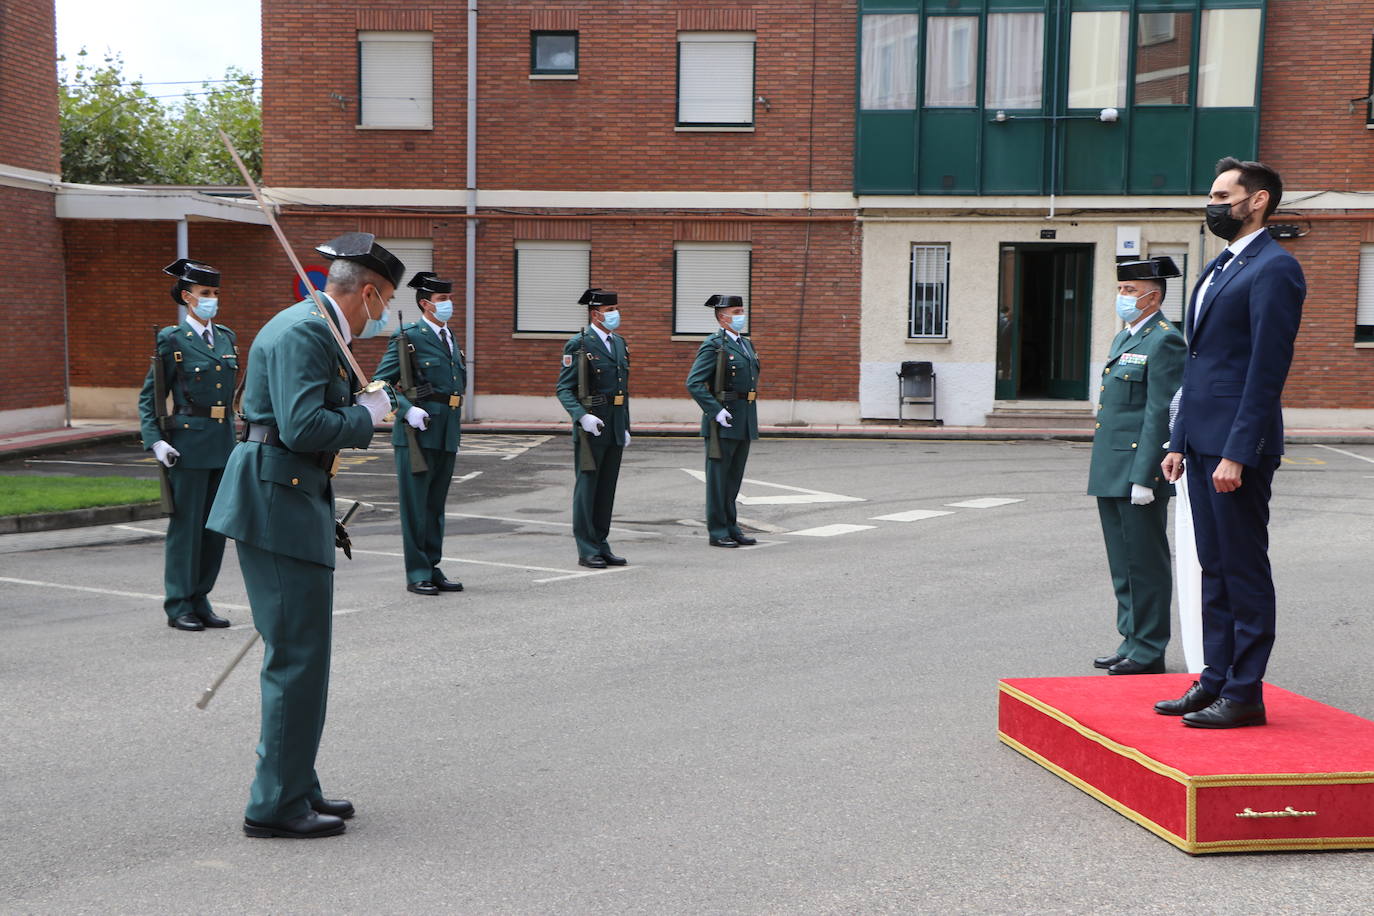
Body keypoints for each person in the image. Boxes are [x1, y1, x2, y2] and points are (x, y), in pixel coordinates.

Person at [207, 232, 400, 837]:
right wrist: (366, 416)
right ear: (368, 292)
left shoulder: (317, 328)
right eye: (386, 300)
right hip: (276, 499)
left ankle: (297, 782)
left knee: (303, 656)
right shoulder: (307, 331)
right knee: (297, 659)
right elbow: (302, 425)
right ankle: (275, 806)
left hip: (287, 496)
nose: (384, 314)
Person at [1155, 158, 1305, 729]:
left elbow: (1267, 369)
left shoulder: (1274, 269)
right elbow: (1200, 366)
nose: (1213, 203)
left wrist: (1238, 451)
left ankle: (1245, 692)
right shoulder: (1219, 267)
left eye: (1223, 194)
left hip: (1237, 448)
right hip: (1199, 443)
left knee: (1242, 569)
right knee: (1212, 567)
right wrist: (1179, 439)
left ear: (1258, 200)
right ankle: (1215, 678)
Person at [1088, 257, 1186, 675]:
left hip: (1136, 470)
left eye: (1130, 291)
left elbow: (1159, 411)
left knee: (1144, 562)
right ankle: (1131, 640)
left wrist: (1145, 475)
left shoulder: (1165, 340)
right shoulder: (1125, 337)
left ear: (1154, 296)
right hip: (1110, 467)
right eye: (1122, 289)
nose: (1122, 297)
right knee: (1123, 563)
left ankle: (1148, 649)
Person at [138, 259, 238, 631]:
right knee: (186, 530)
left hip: (223, 443)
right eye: (205, 293)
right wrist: (156, 441)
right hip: (188, 444)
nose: (212, 300)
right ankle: (179, 603)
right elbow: (150, 397)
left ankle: (201, 598)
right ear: (187, 297)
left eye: (215, 293)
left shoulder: (226, 337)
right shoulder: (172, 339)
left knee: (214, 530)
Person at [373, 271, 467, 596]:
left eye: (450, 299)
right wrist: (405, 408)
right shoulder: (407, 336)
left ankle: (433, 565)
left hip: (446, 429)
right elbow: (380, 382)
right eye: (442, 300)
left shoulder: (449, 336)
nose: (448, 304)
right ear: (426, 304)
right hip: (417, 431)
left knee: (435, 504)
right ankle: (417, 572)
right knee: (416, 506)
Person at [555, 288, 631, 568]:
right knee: (588, 488)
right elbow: (564, 389)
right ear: (595, 314)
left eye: (615, 309)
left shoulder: (620, 343)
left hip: (614, 424)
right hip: (591, 426)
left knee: (606, 488)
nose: (614, 314)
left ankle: (602, 542)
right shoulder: (579, 344)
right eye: (609, 310)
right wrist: (581, 416)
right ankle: (587, 548)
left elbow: (623, 390)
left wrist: (625, 425)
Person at [685, 294, 760, 548]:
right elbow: (694, 382)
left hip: (744, 418)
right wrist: (715, 410)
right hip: (723, 421)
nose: (741, 316)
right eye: (736, 312)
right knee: (718, 480)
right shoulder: (714, 345)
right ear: (722, 316)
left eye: (742, 311)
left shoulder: (745, 344)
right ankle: (718, 531)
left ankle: (731, 526)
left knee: (733, 478)